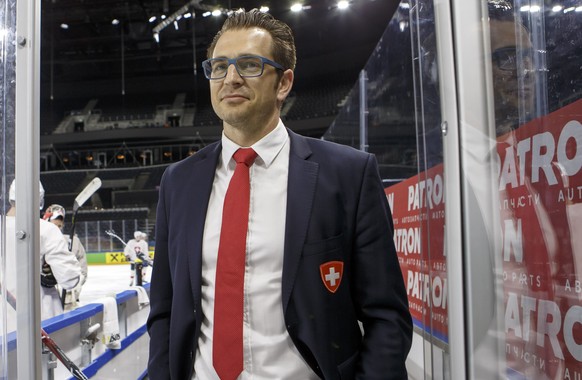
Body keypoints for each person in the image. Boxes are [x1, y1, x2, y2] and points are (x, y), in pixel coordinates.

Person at [147, 9, 412, 380]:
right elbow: (164, 308)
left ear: (283, 83)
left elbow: (386, 316)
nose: (231, 78)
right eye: (219, 66)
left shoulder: (348, 174)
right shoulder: (178, 182)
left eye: (250, 65)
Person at [5, 180, 82, 321]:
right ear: (39, 199)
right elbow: (70, 279)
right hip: (42, 318)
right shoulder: (46, 229)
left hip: (4, 324)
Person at [42, 204, 88, 309]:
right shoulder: (38, 241)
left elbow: (82, 266)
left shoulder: (73, 242)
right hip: (44, 299)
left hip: (69, 298)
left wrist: (78, 283)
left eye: (59, 226)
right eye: (53, 225)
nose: (56, 229)